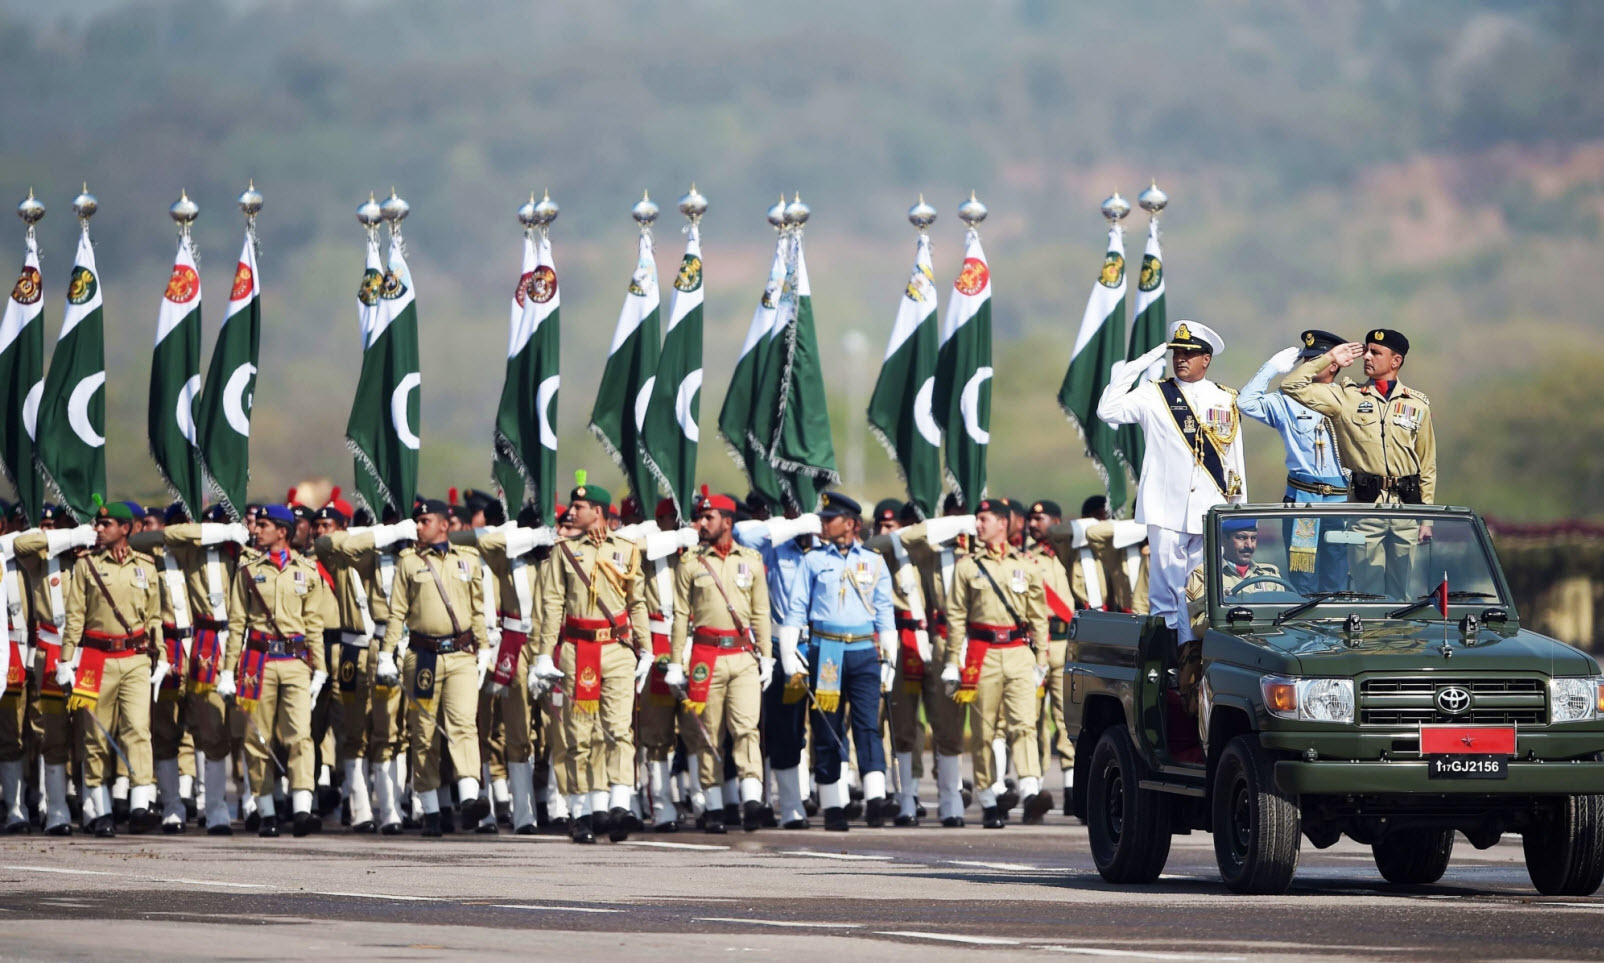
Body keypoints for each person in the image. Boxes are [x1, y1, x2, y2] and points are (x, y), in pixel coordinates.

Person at [1096, 319, 1246, 714]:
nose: (1181, 359)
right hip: (1166, 508)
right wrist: (1138, 364)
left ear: (1206, 359)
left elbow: (1234, 461)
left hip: (1209, 509)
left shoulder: (1224, 399)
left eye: (1189, 354)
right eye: (1177, 352)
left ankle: (1193, 670)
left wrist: (1238, 510)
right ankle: (1163, 670)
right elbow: (1106, 409)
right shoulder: (1153, 394)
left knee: (1199, 595)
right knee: (1164, 594)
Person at [531, 476, 650, 844]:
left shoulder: (627, 549)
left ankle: (619, 806)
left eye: (579, 507)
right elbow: (552, 605)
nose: (572, 512)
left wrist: (646, 649)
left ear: (597, 512)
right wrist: (543, 654)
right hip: (579, 650)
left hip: (617, 648)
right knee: (580, 735)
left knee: (619, 730)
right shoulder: (565, 552)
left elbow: (637, 602)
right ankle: (580, 811)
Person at [1282, 329, 1436, 599]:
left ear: (1396, 361)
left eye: (1375, 353)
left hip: (1406, 508)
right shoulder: (1347, 397)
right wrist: (1329, 357)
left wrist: (1427, 519)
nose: (1367, 357)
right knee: (1368, 592)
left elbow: (1427, 464)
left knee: (1401, 593)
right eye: (1366, 351)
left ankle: (1398, 629)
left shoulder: (1417, 404)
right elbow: (1291, 386)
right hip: (1366, 508)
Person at [777, 492, 896, 832]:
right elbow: (796, 608)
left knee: (868, 726)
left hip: (863, 651)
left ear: (851, 524)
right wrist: (789, 653)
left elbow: (885, 613)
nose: (824, 524)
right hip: (826, 650)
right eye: (824, 518)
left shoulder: (873, 562)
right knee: (827, 727)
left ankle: (875, 798)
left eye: (831, 519)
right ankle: (832, 805)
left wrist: (890, 657)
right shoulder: (813, 560)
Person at [376, 498, 490, 837]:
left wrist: (484, 647)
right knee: (423, 733)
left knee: (463, 724)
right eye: (417, 521)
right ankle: (431, 810)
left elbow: (478, 609)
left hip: (461, 654)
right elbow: (397, 612)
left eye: (424, 521)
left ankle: (469, 799)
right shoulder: (408, 563)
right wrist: (386, 654)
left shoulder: (468, 559)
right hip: (422, 655)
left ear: (443, 524)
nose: (418, 526)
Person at [216, 504, 329, 838]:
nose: (256, 530)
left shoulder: (307, 570)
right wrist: (228, 670)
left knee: (300, 735)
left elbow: (314, 624)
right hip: (257, 662)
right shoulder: (248, 570)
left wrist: (320, 669)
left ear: (282, 531)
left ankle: (302, 809)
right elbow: (237, 624)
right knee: (257, 737)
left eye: (263, 525)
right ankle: (266, 811)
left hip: (295, 662)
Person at [941, 498, 1052, 828]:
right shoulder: (967, 567)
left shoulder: (1026, 565)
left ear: (1002, 524)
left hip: (1018, 651)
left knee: (1025, 723)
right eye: (977, 519)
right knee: (984, 730)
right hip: (983, 653)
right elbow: (956, 616)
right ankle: (989, 797)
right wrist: (952, 660)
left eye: (984, 519)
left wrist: (1041, 659)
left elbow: (1038, 616)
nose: (978, 525)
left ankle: (1030, 789)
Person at [669, 488, 772, 833]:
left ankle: (752, 800)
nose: (701, 523)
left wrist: (768, 658)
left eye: (708, 517)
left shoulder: (751, 560)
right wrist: (675, 662)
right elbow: (680, 615)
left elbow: (761, 612)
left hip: (742, 656)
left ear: (727, 522)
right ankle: (713, 806)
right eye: (700, 517)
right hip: (705, 657)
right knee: (709, 734)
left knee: (746, 728)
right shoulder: (691, 562)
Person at [58, 499, 163, 837]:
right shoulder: (86, 565)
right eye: (98, 524)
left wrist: (161, 656)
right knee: (96, 735)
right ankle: (100, 810)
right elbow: (75, 617)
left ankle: (140, 803)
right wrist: (65, 660)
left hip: (135, 659)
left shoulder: (146, 566)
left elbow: (154, 618)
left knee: (138, 729)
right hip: (95, 658)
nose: (99, 529)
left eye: (107, 524)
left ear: (126, 529)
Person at [865, 502, 974, 826]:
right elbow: (873, 545)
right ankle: (907, 798)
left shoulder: (943, 552)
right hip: (904, 641)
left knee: (947, 722)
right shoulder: (890, 550)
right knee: (903, 726)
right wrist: (910, 534)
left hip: (940, 640)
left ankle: (951, 799)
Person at [455, 508, 556, 834]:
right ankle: (524, 815)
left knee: (556, 729)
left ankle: (563, 807)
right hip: (513, 647)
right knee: (514, 732)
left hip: (551, 646)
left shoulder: (557, 559)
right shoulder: (507, 556)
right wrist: (523, 535)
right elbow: (479, 541)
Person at [1239, 329, 1352, 592]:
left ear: (1332, 364)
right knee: (1303, 577)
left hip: (1340, 502)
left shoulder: (1349, 397)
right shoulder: (1287, 400)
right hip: (1303, 500)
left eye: (1315, 360)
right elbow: (1246, 402)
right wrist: (1270, 368)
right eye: (1306, 360)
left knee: (1337, 576)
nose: (1307, 366)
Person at [734, 507, 822, 828]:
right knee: (783, 726)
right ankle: (790, 807)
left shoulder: (825, 549)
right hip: (782, 643)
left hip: (822, 644)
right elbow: (744, 537)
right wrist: (791, 526)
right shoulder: (776, 545)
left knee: (821, 725)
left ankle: (832, 802)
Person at [1025, 499, 1076, 808]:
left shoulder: (1071, 552)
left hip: (1066, 643)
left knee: (1066, 715)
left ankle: (1071, 787)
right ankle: (1035, 786)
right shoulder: (1026, 557)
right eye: (1031, 519)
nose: (1033, 524)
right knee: (1033, 719)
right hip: (1036, 647)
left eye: (1040, 518)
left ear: (1055, 521)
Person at [1219, 518, 1281, 595]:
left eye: (1253, 538)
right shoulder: (1212, 576)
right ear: (1224, 539)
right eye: (1242, 538)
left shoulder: (1270, 575)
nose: (1249, 545)